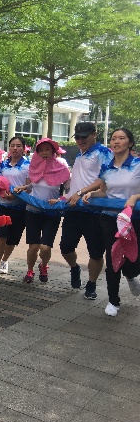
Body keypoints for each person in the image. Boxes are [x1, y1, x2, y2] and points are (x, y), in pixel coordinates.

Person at [83, 128, 140, 316]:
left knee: (133, 259)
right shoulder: (106, 166)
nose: (116, 141)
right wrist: (92, 194)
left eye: (121, 138)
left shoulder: (138, 164)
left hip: (133, 218)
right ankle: (113, 301)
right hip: (110, 218)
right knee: (113, 257)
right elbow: (104, 191)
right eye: (113, 138)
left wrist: (135, 197)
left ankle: (131, 274)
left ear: (130, 143)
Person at [59, 122, 113, 299]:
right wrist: (66, 197)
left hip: (94, 211)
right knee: (66, 247)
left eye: (84, 137)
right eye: (77, 137)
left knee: (96, 252)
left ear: (94, 134)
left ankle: (91, 283)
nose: (80, 140)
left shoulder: (103, 153)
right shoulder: (80, 154)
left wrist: (81, 192)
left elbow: (104, 180)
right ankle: (75, 268)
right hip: (74, 209)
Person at [14, 138, 70, 284]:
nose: (44, 153)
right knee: (33, 247)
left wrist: (60, 199)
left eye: (47, 149)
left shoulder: (62, 168)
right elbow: (32, 185)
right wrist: (23, 188)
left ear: (53, 151)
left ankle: (44, 265)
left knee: (45, 248)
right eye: (41, 150)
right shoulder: (34, 166)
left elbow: (70, 191)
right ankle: (30, 270)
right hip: (32, 211)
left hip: (52, 212)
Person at [0, 136, 30, 278]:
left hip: (20, 206)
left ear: (23, 148)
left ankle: (4, 261)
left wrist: (16, 195)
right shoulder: (2, 165)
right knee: (2, 235)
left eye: (18, 146)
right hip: (3, 205)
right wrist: (1, 193)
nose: (15, 148)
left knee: (13, 238)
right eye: (12, 145)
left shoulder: (28, 166)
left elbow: (29, 187)